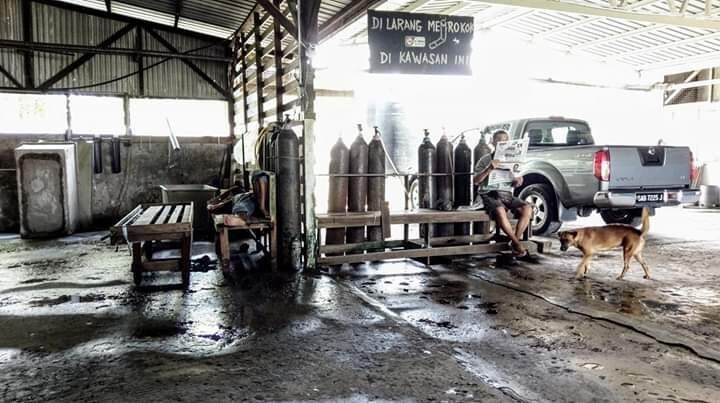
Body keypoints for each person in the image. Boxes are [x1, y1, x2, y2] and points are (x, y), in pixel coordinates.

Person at [473, 130, 537, 262]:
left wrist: (517, 181)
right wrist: (489, 169)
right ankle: (518, 245)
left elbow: (515, 182)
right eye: (500, 140)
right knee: (500, 210)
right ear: (493, 142)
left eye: (506, 140)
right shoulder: (485, 160)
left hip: (506, 194)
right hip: (489, 194)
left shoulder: (512, 160)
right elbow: (475, 181)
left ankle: (514, 242)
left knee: (527, 208)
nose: (503, 142)